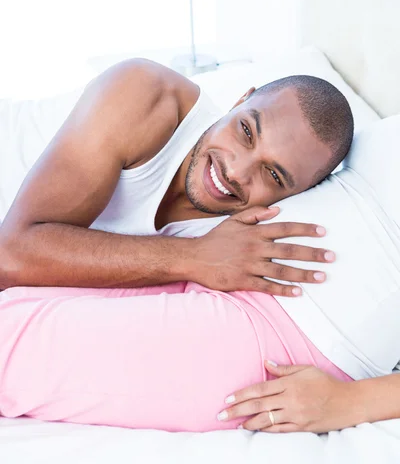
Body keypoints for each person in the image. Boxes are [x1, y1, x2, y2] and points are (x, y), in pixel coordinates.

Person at [0, 58, 368, 433]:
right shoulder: (144, 95)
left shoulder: (244, 234)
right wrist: (193, 257)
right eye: (245, 131)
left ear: (297, 195)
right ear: (241, 99)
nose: (236, 171)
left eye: (272, 175)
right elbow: (11, 255)